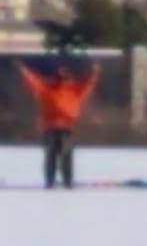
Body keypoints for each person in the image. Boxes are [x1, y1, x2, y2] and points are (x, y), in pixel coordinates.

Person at [15, 60, 100, 189]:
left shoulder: (74, 90)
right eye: (59, 77)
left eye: (64, 77)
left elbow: (88, 84)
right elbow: (31, 80)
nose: (62, 80)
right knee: (51, 156)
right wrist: (22, 69)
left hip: (66, 128)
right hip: (50, 128)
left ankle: (67, 182)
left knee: (66, 156)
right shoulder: (45, 88)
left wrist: (95, 72)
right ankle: (50, 182)